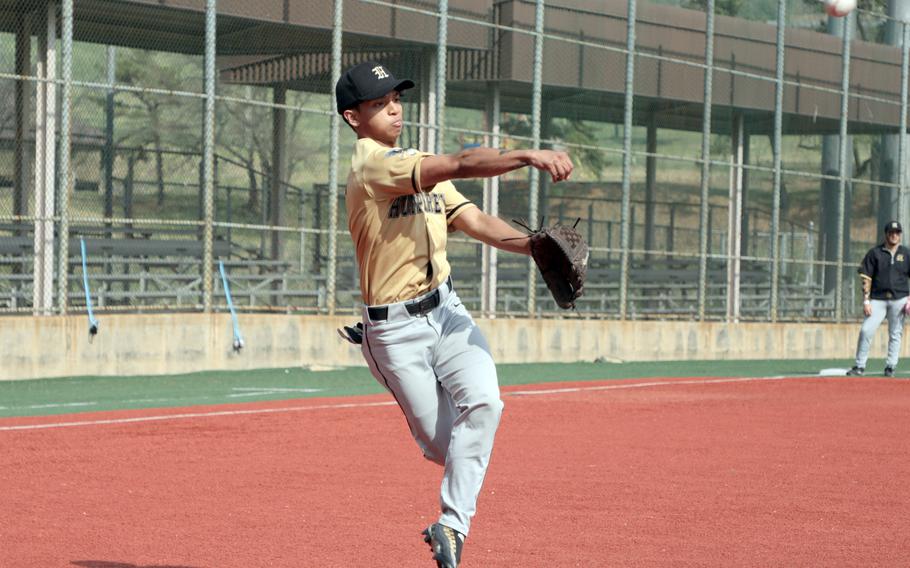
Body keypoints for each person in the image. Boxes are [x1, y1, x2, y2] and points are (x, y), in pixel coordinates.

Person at [335, 61, 573, 568]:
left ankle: (451, 527)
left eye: (396, 98)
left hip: (447, 308)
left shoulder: (412, 162)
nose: (394, 108)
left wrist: (532, 246)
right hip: (396, 331)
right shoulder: (374, 166)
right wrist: (526, 154)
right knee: (448, 449)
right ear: (354, 118)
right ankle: (372, 351)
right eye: (379, 103)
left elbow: (476, 219)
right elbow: (462, 164)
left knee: (486, 407)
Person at [847, 220, 910, 377]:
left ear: (900, 235)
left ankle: (890, 366)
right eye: (891, 232)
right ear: (886, 234)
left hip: (900, 298)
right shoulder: (875, 253)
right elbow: (866, 277)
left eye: (897, 233)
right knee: (866, 330)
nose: (894, 235)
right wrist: (866, 300)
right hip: (878, 299)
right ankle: (860, 366)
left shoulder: (906, 253)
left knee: (895, 333)